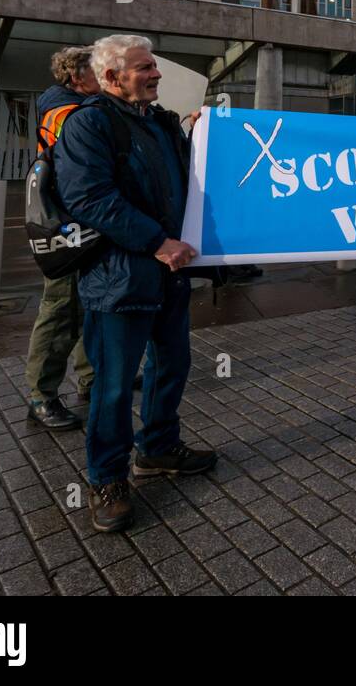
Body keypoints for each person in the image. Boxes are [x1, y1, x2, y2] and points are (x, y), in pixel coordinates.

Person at [55, 34, 216, 532]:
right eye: (144, 68)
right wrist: (157, 242)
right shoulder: (89, 125)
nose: (157, 74)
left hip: (168, 276)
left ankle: (159, 449)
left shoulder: (161, 122)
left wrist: (206, 138)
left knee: (173, 365)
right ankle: (107, 478)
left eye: (154, 65)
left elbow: (187, 181)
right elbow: (90, 199)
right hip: (118, 281)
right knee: (113, 386)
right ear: (110, 78)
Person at [24, 47, 100, 430]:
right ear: (76, 77)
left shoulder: (85, 103)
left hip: (85, 222)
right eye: (96, 69)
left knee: (88, 302)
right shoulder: (64, 111)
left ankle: (90, 379)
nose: (104, 74)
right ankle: (41, 396)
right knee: (61, 308)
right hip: (67, 226)